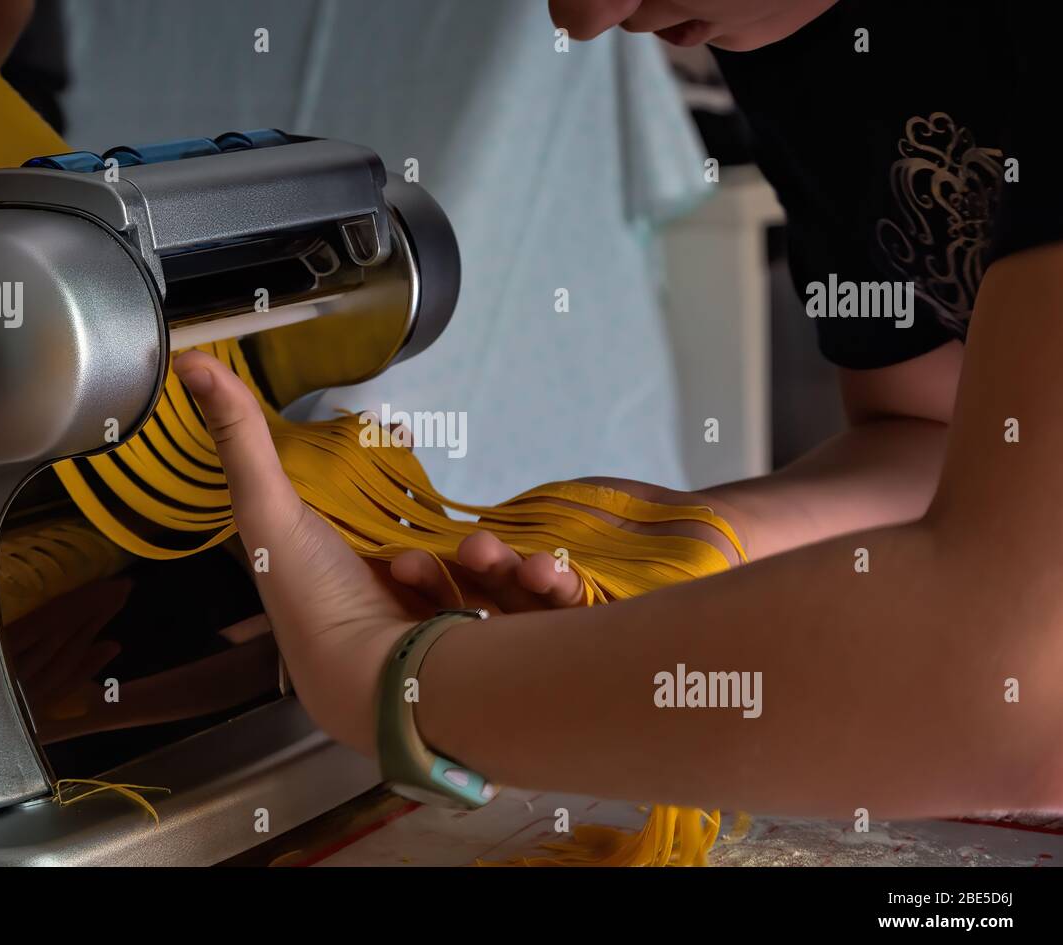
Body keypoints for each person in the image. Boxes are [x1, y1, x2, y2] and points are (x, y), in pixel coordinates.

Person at [172, 0, 1063, 818]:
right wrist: (683, 542)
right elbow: (933, 433)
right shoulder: (800, 45)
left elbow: (1015, 678)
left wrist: (396, 683)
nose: (585, 17)